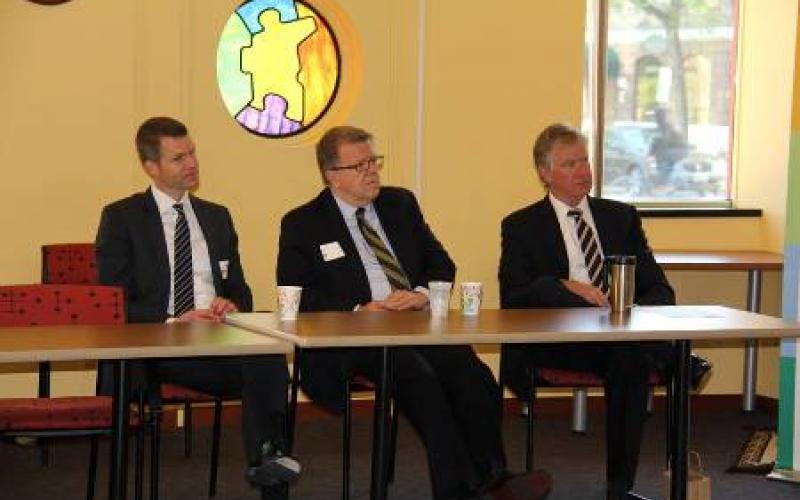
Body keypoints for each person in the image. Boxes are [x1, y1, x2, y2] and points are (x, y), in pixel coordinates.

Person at [276, 125, 551, 500]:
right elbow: (297, 292)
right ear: (331, 175)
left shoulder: (399, 204)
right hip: (353, 335)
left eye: (374, 161)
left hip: (413, 324)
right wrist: (359, 309)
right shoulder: (303, 223)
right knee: (418, 378)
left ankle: (494, 475)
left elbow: (441, 262)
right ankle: (458, 490)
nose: (371, 172)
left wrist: (420, 295)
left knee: (473, 374)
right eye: (359, 166)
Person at [95, 116, 298, 500]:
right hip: (159, 345)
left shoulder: (216, 216)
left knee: (267, 355)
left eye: (192, 153)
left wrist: (230, 303)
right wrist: (175, 318)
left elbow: (240, 290)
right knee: (262, 363)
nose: (191, 163)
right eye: (178, 158)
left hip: (216, 339)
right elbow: (112, 301)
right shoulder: (122, 218)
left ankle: (268, 461)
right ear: (151, 167)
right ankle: (270, 463)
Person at [498, 123, 676, 500]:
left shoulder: (620, 217)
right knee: (638, 356)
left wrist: (632, 313)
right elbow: (513, 297)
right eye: (570, 164)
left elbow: (660, 288)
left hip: (620, 335)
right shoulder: (521, 226)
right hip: (560, 340)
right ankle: (673, 358)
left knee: (629, 356)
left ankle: (619, 487)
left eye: (585, 161)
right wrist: (564, 286)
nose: (583, 171)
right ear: (545, 173)